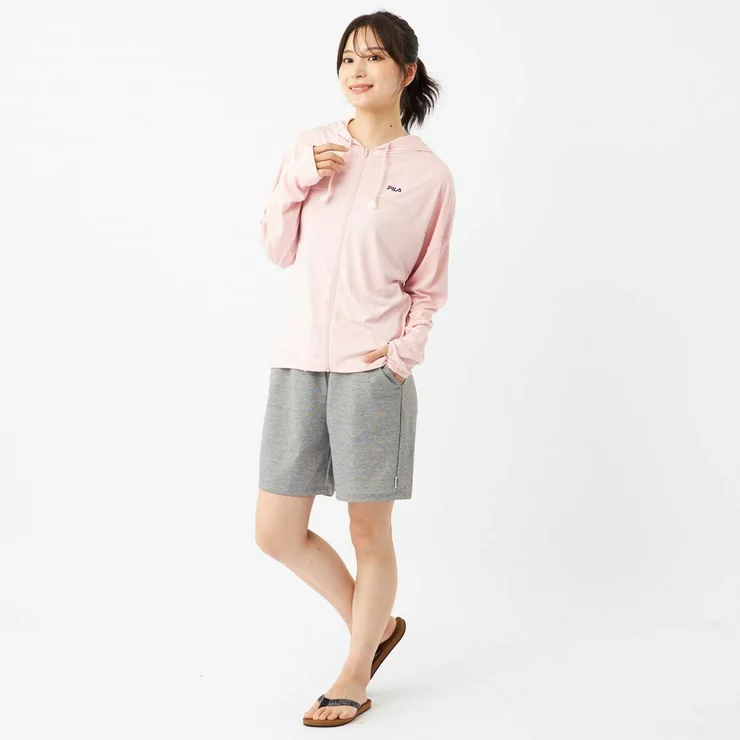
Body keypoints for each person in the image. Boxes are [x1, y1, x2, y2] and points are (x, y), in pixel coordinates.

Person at [254, 10, 456, 728]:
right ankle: (375, 629)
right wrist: (299, 178)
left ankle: (354, 671)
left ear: (407, 72)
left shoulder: (429, 176)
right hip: (299, 365)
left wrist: (401, 358)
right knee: (276, 531)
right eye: (347, 59)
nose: (357, 70)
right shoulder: (311, 148)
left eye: (373, 57)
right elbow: (277, 248)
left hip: (373, 375)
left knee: (370, 535)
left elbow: (429, 287)